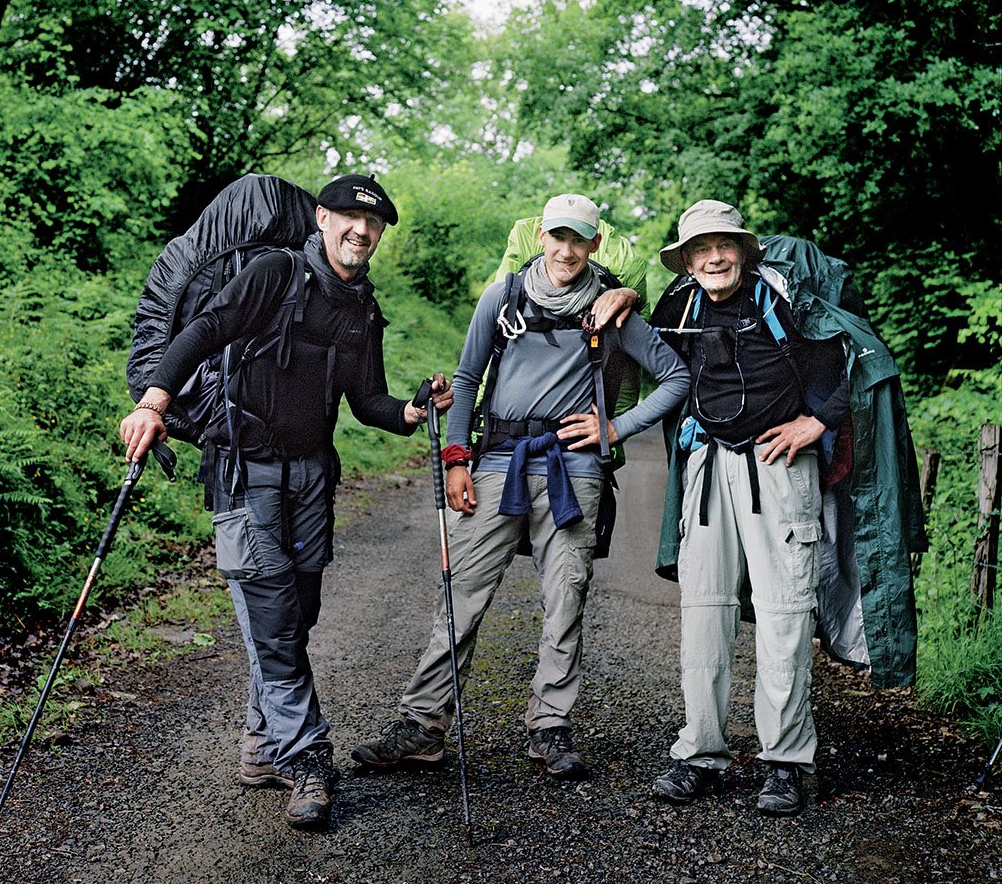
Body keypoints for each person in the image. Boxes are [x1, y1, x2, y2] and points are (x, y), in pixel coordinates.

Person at [120, 173, 451, 832]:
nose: (361, 231)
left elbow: (368, 401)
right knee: (273, 619)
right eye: (349, 218)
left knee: (296, 616)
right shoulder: (273, 271)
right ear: (323, 219)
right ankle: (306, 758)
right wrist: (154, 401)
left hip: (310, 478)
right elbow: (206, 331)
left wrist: (412, 410)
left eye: (374, 223)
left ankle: (260, 749)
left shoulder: (360, 308)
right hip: (246, 472)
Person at [351, 193, 689, 780]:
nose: (566, 249)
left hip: (574, 471)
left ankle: (549, 726)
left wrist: (614, 428)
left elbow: (676, 376)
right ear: (541, 237)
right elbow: (465, 375)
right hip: (496, 461)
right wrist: (457, 459)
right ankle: (423, 725)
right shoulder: (503, 295)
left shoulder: (612, 310)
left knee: (565, 598)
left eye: (578, 239)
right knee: (461, 593)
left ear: (594, 244)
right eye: (557, 237)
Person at [647, 199, 850, 816]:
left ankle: (785, 762)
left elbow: (851, 361)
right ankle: (700, 753)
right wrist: (622, 301)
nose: (713, 257)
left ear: (743, 249)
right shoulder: (675, 308)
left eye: (724, 245)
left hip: (781, 466)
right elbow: (651, 366)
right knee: (704, 610)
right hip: (709, 467)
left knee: (785, 612)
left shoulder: (786, 301)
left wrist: (816, 422)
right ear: (685, 260)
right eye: (700, 249)